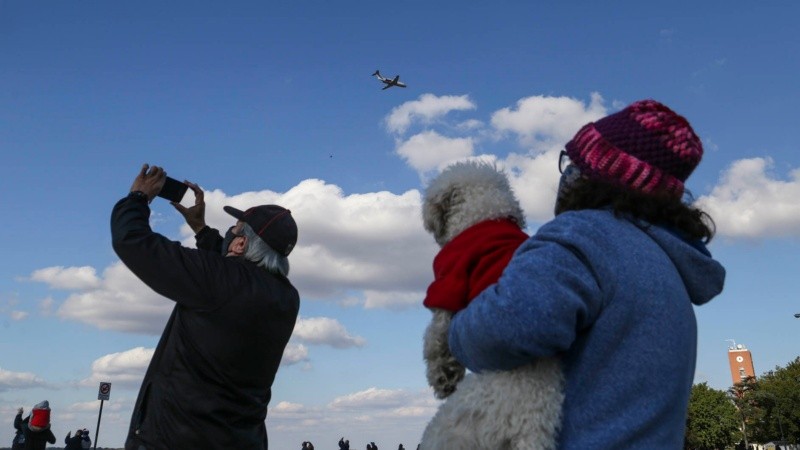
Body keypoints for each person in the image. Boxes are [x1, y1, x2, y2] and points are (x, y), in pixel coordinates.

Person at [447, 100, 726, 449]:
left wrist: (456, 325)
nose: (566, 172)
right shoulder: (668, 266)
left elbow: (505, 331)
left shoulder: (583, 234)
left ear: (594, 173)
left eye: (571, 161)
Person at [112, 164, 300, 449]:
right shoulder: (286, 299)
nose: (228, 234)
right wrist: (200, 229)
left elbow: (133, 242)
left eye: (234, 230)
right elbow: (233, 279)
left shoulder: (220, 281)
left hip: (176, 440)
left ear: (239, 244)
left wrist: (137, 198)